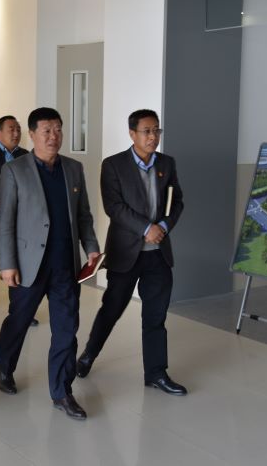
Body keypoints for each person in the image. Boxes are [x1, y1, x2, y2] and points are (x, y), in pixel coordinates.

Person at [0, 107, 100, 420]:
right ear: (32, 135)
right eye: (46, 131)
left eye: (58, 130)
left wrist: (91, 247)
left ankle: (62, 392)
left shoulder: (74, 169)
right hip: (29, 265)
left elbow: (83, 215)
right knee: (19, 321)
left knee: (67, 329)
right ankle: (5, 366)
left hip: (65, 265)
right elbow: (6, 221)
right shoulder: (14, 171)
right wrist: (7, 264)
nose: (54, 136)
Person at [76, 109, 187, 396]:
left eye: (156, 131)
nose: (153, 137)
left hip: (158, 253)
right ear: (132, 133)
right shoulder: (113, 165)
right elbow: (113, 206)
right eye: (147, 131)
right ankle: (89, 354)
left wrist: (163, 226)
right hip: (126, 253)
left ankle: (156, 373)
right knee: (112, 309)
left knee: (155, 315)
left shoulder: (167, 163)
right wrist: (146, 228)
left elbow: (177, 201)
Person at [0, 116, 39, 326]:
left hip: (17, 224)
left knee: (18, 266)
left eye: (18, 129)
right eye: (11, 129)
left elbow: (31, 187)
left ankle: (20, 311)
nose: (16, 133)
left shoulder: (25, 156)